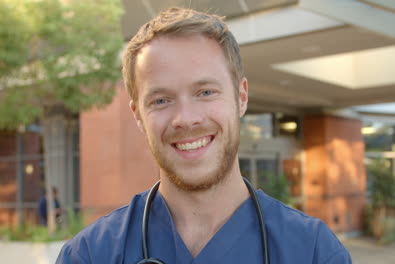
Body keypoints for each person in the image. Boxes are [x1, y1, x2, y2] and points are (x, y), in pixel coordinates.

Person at [56, 7, 352, 264]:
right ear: (137, 115)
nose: (185, 119)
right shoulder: (92, 255)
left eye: (205, 92)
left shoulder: (313, 252)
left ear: (241, 96)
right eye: (161, 100)